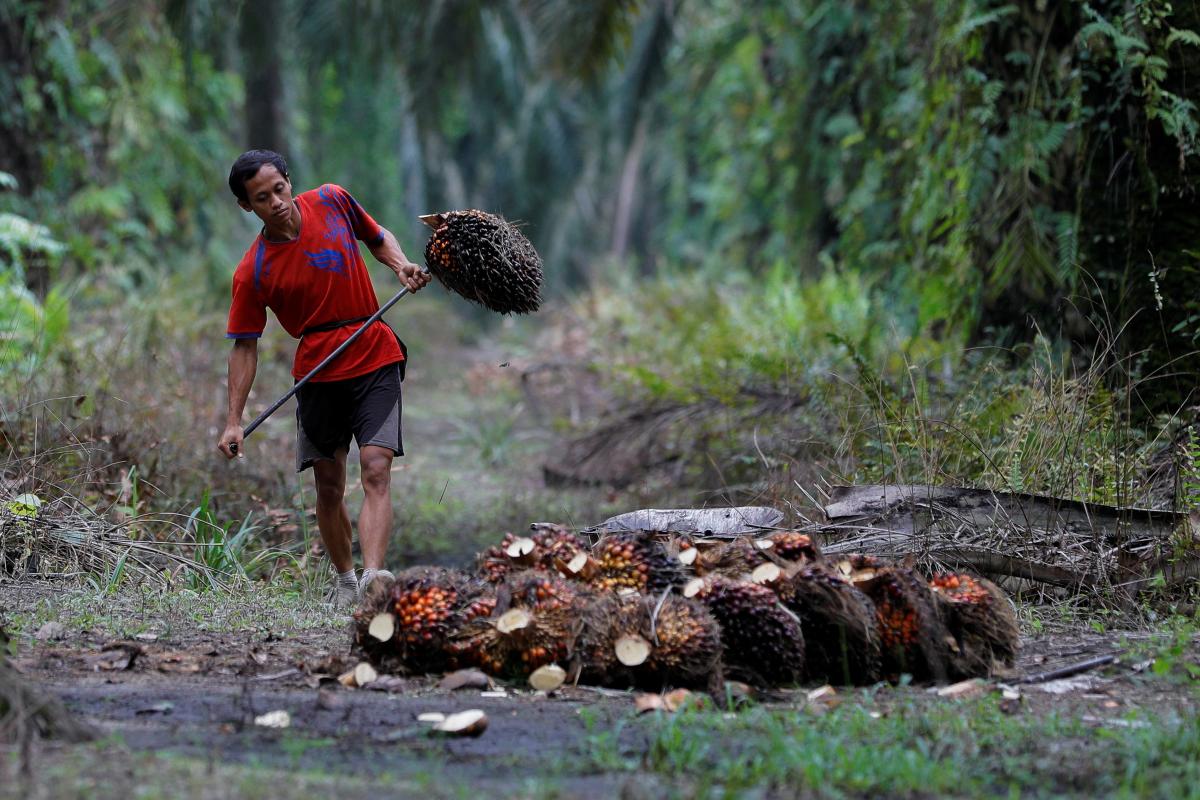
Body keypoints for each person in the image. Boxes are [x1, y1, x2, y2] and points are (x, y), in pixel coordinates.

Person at [216, 149, 431, 608]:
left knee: (376, 467)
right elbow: (244, 345)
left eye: (279, 189)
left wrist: (402, 265)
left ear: (289, 182)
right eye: (261, 198)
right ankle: (346, 579)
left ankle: (375, 576)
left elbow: (375, 236)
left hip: (374, 352)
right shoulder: (252, 270)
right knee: (329, 487)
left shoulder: (333, 200)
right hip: (317, 374)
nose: (276, 202)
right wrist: (234, 420)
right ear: (246, 206)